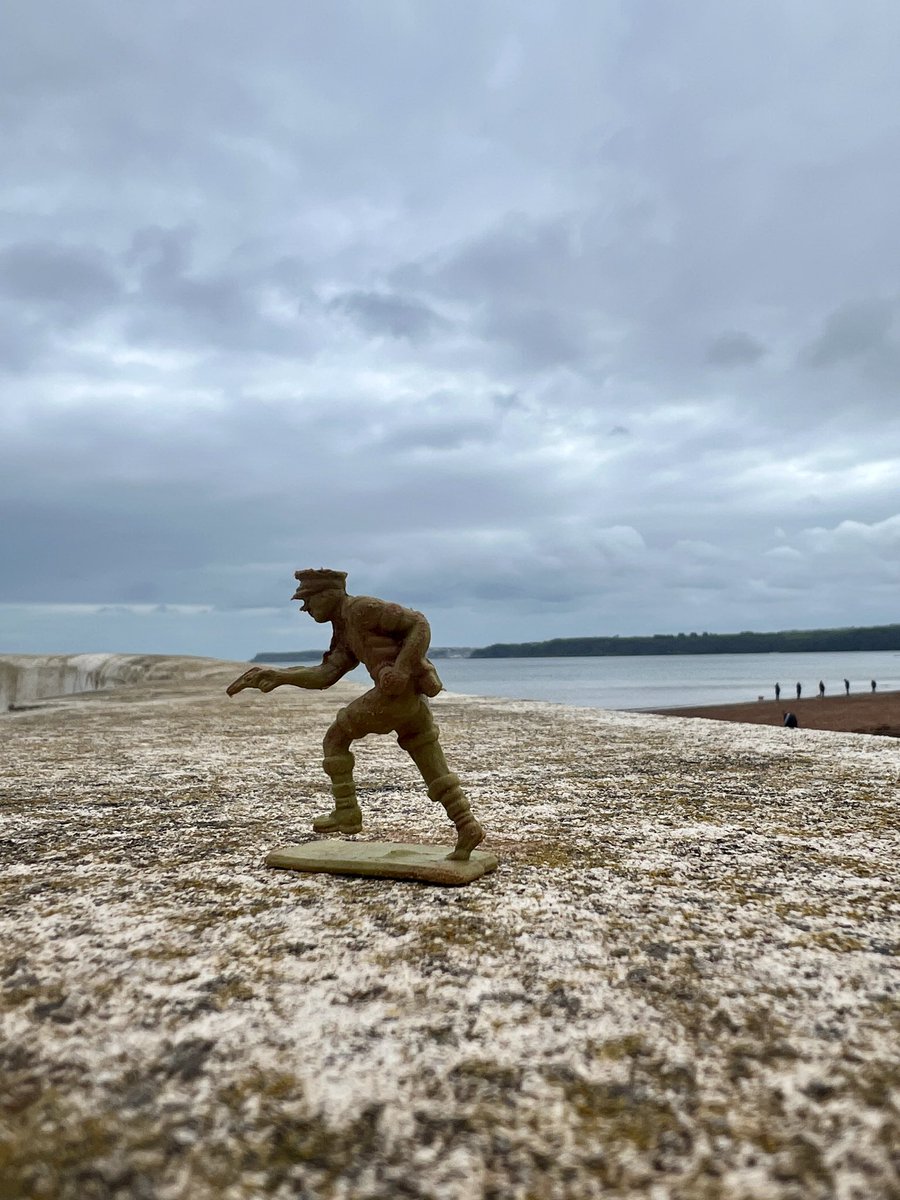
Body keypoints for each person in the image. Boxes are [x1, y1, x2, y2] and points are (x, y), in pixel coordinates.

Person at [226, 568, 484, 860]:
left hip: (396, 695)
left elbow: (419, 624)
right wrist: (282, 675)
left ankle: (347, 812)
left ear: (329, 594)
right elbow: (327, 674)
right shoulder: (344, 631)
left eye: (308, 600)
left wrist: (400, 669)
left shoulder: (362, 610)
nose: (305, 608)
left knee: (336, 738)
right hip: (410, 699)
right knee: (431, 763)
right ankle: (467, 826)